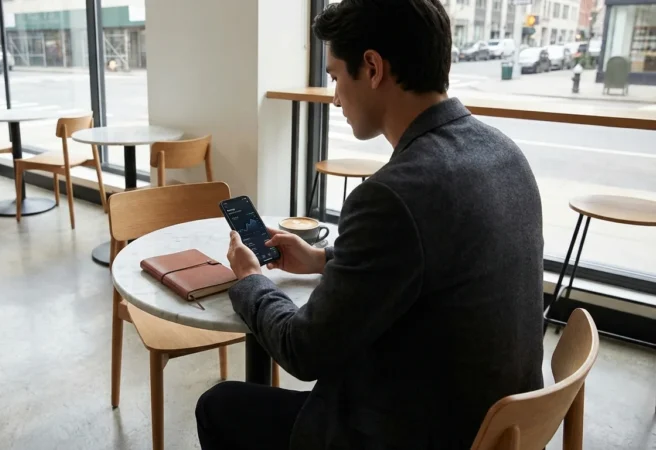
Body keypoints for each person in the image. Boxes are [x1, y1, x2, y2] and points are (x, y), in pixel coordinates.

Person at [195, 0, 544, 448]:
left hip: (416, 432)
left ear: (374, 68)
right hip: (499, 427)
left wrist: (250, 280)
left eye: (337, 75)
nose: (336, 96)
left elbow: (302, 350)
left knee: (219, 405)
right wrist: (324, 260)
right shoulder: (504, 153)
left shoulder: (392, 195)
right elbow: (433, 258)